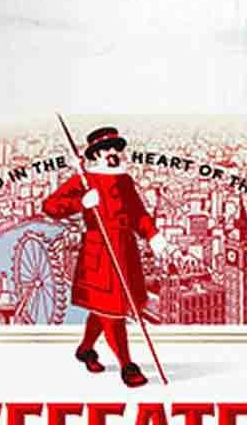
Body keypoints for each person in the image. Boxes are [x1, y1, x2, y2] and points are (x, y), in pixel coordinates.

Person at [42, 124, 165, 386]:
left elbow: (138, 213)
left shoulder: (124, 180)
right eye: (106, 149)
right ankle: (127, 365)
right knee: (112, 312)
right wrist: (80, 203)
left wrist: (152, 235)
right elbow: (50, 206)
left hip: (126, 251)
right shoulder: (84, 180)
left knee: (105, 309)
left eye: (116, 148)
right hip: (100, 252)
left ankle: (85, 349)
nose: (112, 153)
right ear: (96, 154)